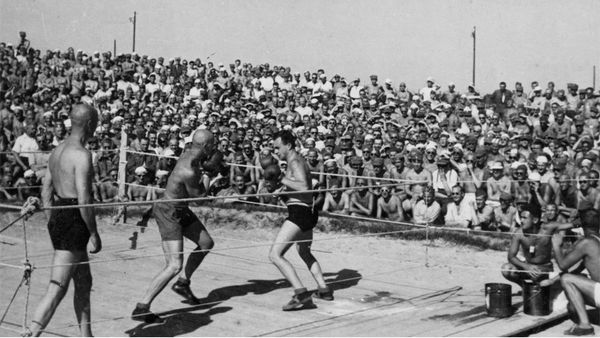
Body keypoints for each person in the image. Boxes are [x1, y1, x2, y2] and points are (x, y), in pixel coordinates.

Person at [29, 104, 100, 337]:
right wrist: (93, 233)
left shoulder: (57, 150)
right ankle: (30, 333)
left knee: (83, 281)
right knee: (57, 287)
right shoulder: (82, 154)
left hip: (60, 213)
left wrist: (53, 221)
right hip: (73, 217)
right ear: (89, 124)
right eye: (96, 122)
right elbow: (84, 199)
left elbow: (46, 192)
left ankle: (86, 335)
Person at [131, 130, 217, 323]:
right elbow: (200, 197)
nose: (215, 147)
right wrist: (210, 176)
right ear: (205, 146)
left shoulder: (189, 152)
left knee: (206, 243)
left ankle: (183, 283)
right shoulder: (190, 169)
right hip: (169, 211)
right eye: (212, 144)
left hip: (180, 208)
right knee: (174, 265)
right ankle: (142, 306)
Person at [267, 130, 332, 311]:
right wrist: (280, 190)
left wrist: (281, 178)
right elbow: (298, 189)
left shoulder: (295, 160)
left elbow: (304, 187)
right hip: (306, 211)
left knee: (275, 255)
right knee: (304, 252)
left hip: (300, 213)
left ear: (288, 145)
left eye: (278, 147)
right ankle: (324, 288)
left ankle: (301, 294)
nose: (276, 151)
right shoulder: (295, 161)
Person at [551, 212, 600, 336]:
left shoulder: (587, 243)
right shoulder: (597, 241)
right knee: (577, 280)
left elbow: (563, 265)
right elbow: (578, 269)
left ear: (580, 225)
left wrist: (557, 246)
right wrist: (552, 281)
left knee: (567, 280)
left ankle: (585, 325)